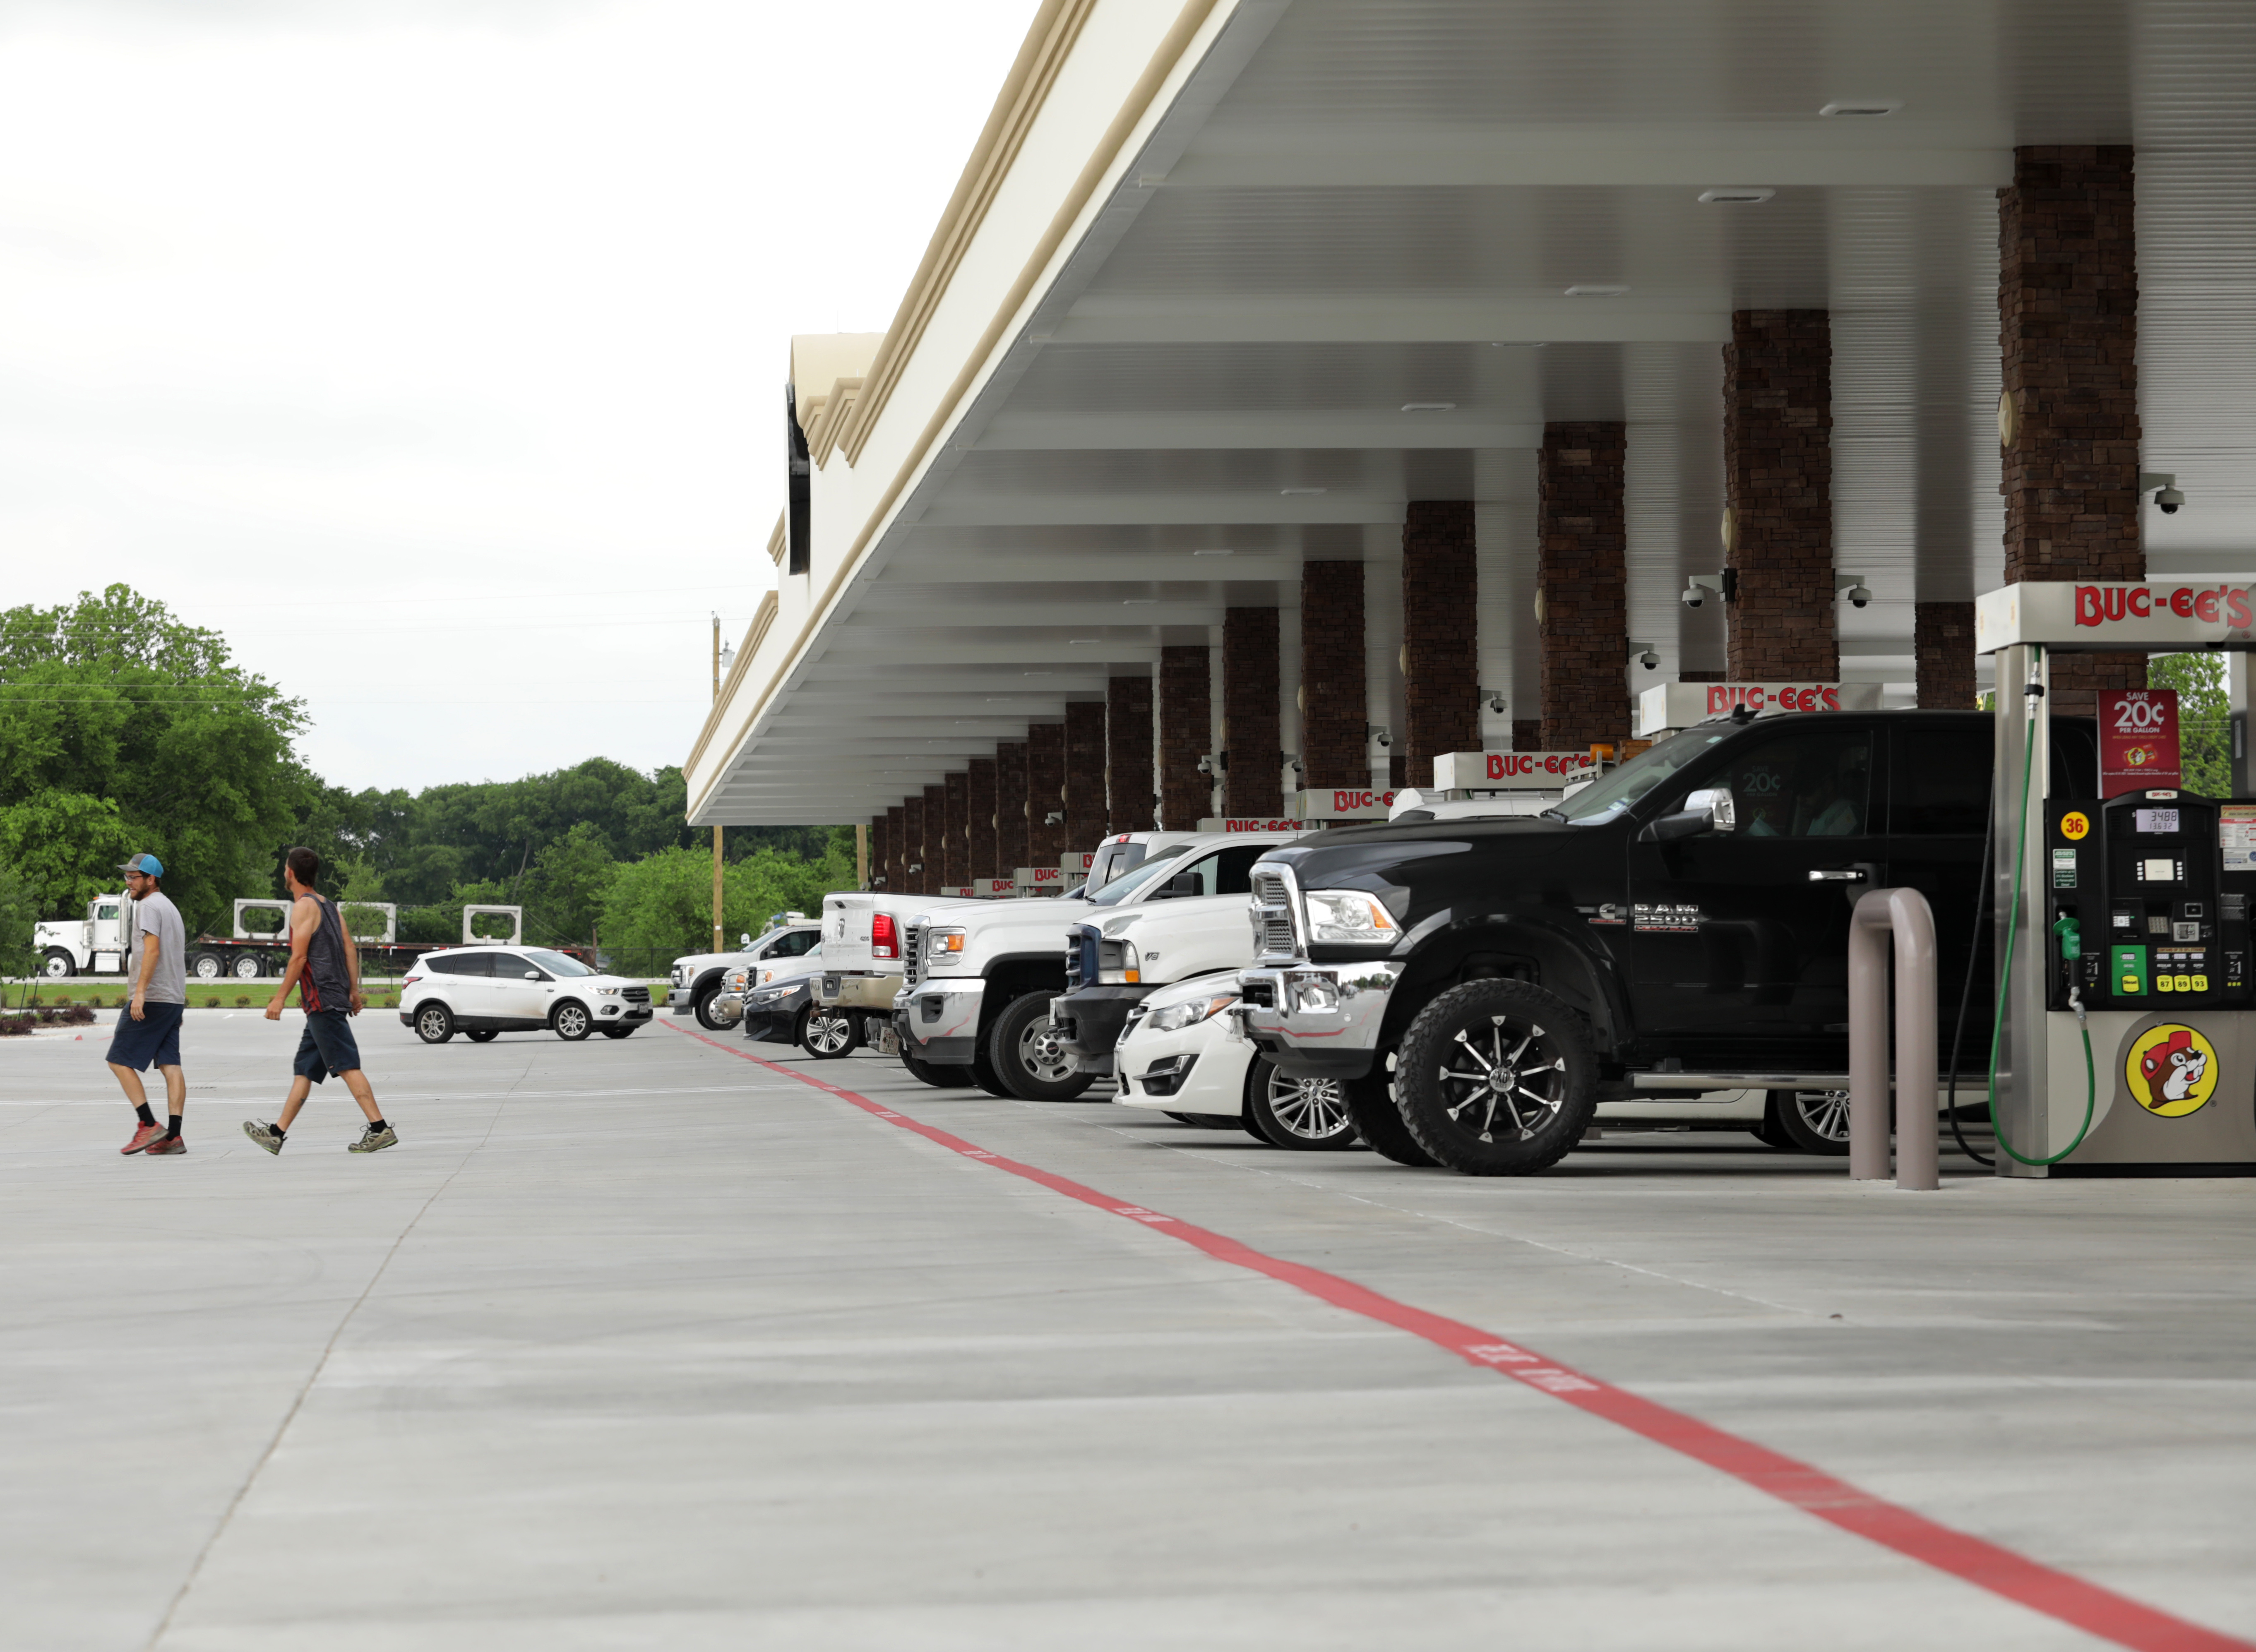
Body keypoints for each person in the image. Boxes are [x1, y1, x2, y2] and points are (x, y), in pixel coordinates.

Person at [241, 847, 396, 1155]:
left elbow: (299, 956)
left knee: (347, 1066)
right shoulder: (329, 906)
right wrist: (352, 991)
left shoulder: (302, 908)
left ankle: (380, 1129)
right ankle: (276, 1134)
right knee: (306, 1070)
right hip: (328, 998)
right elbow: (349, 948)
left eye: (285, 868)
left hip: (322, 999)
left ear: (290, 872)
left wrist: (279, 999)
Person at [108, 854, 188, 1155]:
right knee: (171, 1065)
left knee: (118, 1060)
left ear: (151, 880)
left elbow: (152, 952)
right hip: (172, 998)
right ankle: (174, 1137)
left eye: (134, 877)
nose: (128, 882)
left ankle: (148, 1125)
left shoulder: (148, 907)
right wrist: (177, 1002)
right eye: (127, 876)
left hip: (153, 998)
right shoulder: (170, 907)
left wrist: (139, 993)